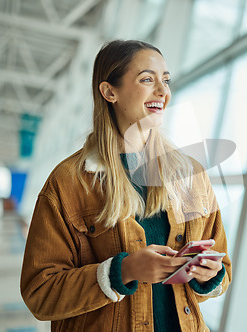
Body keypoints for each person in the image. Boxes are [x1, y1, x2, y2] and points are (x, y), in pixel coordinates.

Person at [20, 40, 232, 331]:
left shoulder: (190, 174)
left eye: (166, 80)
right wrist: (124, 271)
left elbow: (223, 274)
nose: (163, 91)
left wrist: (210, 274)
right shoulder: (69, 181)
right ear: (110, 92)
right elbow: (40, 294)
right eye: (147, 79)